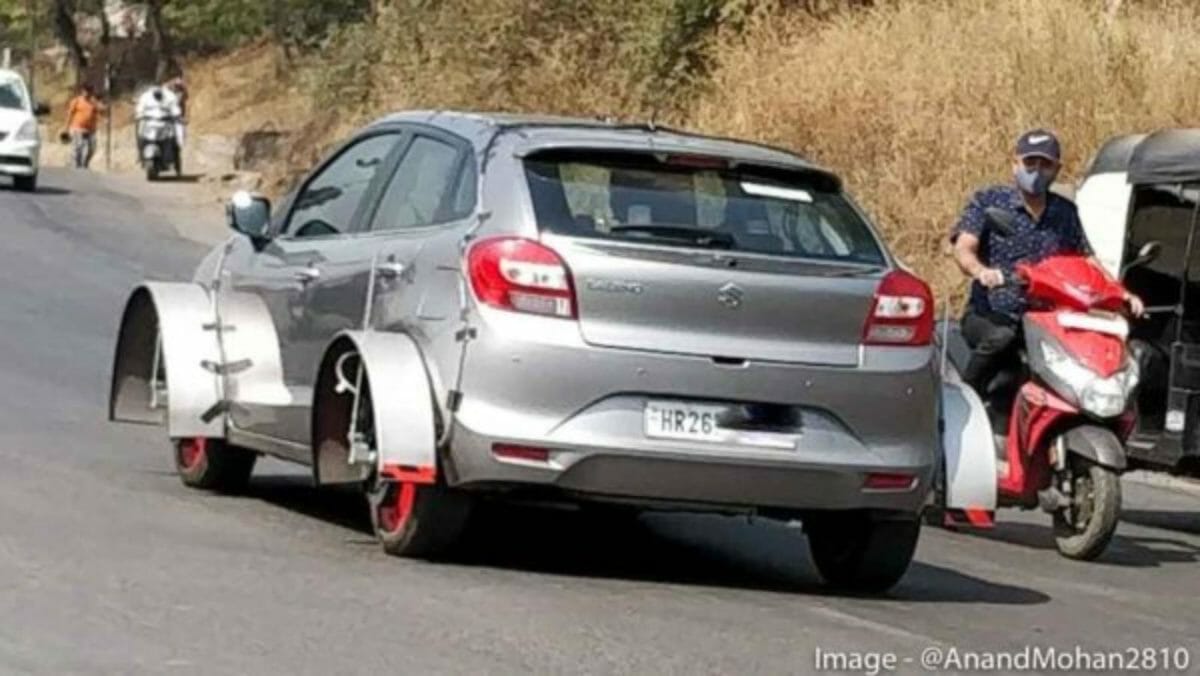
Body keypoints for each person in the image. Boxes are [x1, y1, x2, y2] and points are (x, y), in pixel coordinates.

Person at [950, 128, 1145, 395]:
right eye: (1030, 163)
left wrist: (1121, 293)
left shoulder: (1065, 212)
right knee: (1001, 337)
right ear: (1015, 163)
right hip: (994, 313)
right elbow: (964, 248)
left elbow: (1087, 260)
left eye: (1045, 164)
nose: (1037, 170)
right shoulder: (989, 201)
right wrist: (982, 271)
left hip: (1049, 318)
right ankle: (966, 395)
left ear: (1057, 169)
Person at [62, 83, 104, 169]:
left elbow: (102, 111)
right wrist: (66, 128)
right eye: (85, 91)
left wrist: (98, 103)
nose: (87, 93)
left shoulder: (93, 102)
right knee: (77, 148)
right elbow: (70, 114)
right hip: (77, 128)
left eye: (89, 91)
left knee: (92, 148)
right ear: (82, 91)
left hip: (90, 130)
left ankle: (85, 163)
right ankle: (76, 166)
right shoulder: (76, 101)